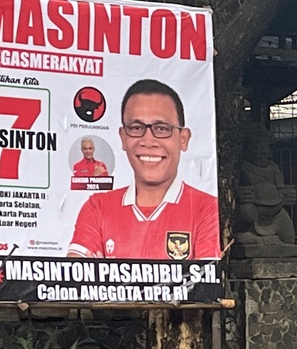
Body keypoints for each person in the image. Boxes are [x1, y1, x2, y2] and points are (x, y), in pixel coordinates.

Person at [67, 79, 221, 260]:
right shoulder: (97, 207)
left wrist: (108, 278)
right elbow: (76, 280)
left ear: (183, 139)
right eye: (136, 128)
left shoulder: (207, 208)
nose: (148, 141)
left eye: (162, 128)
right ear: (123, 138)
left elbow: (203, 287)